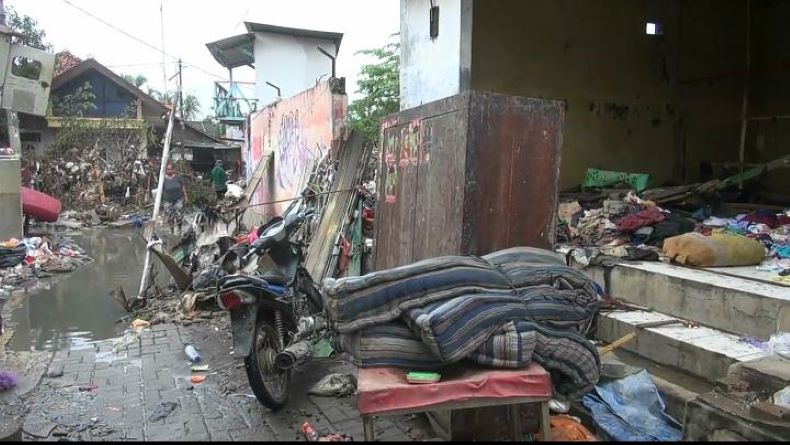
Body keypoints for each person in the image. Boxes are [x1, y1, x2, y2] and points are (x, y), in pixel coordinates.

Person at [161, 164, 188, 234]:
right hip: (167, 200)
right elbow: (161, 190)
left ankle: (179, 229)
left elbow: (183, 187)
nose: (169, 170)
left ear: (173, 169)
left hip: (178, 199)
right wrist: (160, 201)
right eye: (167, 169)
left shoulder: (178, 177)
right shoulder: (163, 179)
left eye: (170, 169)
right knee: (170, 217)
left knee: (179, 215)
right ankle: (172, 232)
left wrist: (186, 197)